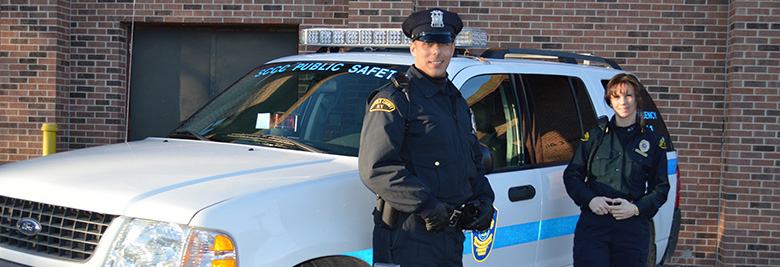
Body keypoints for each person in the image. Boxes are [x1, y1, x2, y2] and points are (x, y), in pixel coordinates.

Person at [358, 8, 495, 266]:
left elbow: (472, 161)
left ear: (453, 47)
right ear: (413, 48)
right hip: (407, 234)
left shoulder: (456, 102)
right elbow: (376, 167)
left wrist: (485, 199)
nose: (436, 53)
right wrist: (427, 206)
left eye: (443, 44)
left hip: (450, 235)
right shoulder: (396, 99)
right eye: (427, 44)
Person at [563, 73, 670, 267]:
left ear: (637, 99)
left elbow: (661, 188)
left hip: (632, 227)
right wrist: (590, 199)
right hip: (594, 226)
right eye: (617, 96)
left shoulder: (652, 142)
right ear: (610, 101)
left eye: (628, 95)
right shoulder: (595, 137)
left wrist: (636, 208)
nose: (623, 102)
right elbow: (572, 175)